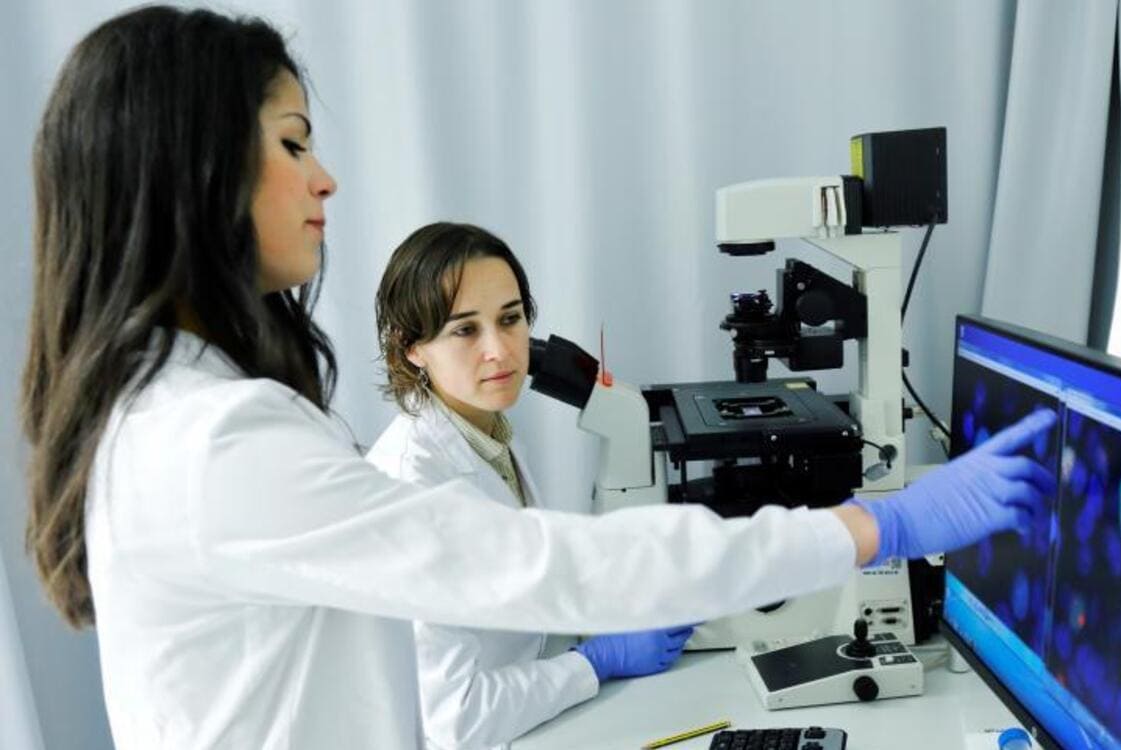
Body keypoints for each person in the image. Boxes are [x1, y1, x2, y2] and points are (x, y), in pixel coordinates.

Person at [20, 6, 1056, 748]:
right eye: (291, 143)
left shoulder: (170, 416)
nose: (325, 176)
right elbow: (538, 568)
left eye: (512, 320)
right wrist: (882, 528)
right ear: (194, 171)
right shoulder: (212, 443)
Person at [369, 222, 695, 749]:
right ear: (412, 348)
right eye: (465, 330)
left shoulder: (485, 427)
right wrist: (594, 663)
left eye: (510, 319)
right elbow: (456, 721)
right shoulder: (413, 486)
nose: (500, 351)